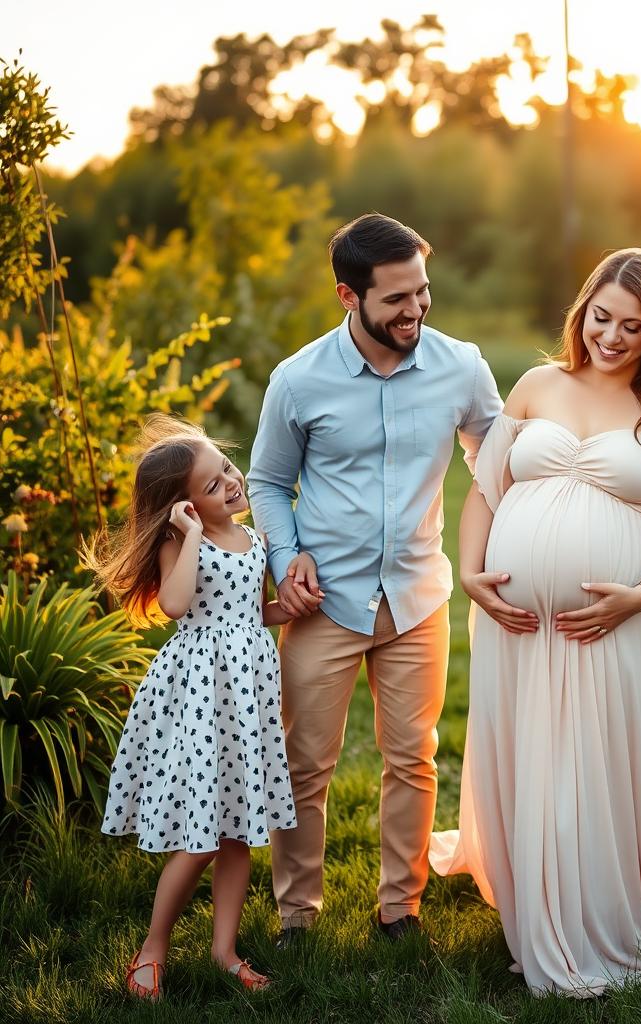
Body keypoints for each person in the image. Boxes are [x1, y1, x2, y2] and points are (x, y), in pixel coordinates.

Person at [429, 248, 641, 997]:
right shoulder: (535, 383)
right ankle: (536, 917)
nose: (612, 337)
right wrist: (470, 574)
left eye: (632, 325)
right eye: (601, 317)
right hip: (517, 624)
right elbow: (485, 493)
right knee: (532, 759)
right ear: (581, 309)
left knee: (599, 767)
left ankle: (597, 926)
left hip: (617, 621)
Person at [247, 213, 502, 944]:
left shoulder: (462, 365)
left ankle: (401, 909)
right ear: (347, 296)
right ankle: (297, 914)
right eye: (396, 299)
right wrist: (284, 556)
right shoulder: (298, 380)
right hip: (323, 602)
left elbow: (494, 452)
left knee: (413, 759)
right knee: (305, 766)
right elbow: (267, 481)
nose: (415, 310)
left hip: (419, 595)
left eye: (422, 292)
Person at [87, 414, 298, 1000]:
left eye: (226, 469)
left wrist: (289, 608)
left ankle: (224, 951)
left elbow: (250, 612)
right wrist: (192, 535)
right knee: (200, 837)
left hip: (247, 696)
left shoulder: (252, 540)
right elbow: (178, 605)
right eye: (211, 486)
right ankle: (153, 945)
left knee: (238, 835)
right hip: (200, 698)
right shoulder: (181, 544)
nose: (230, 483)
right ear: (182, 508)